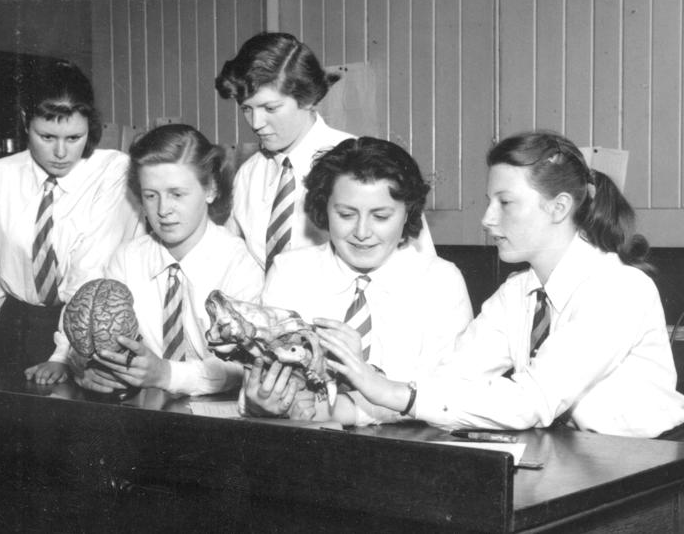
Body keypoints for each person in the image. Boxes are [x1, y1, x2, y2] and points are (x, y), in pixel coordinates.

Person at [327, 130, 684, 438]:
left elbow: (531, 401)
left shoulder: (619, 289)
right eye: (489, 202)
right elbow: (449, 380)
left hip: (649, 466)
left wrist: (389, 392)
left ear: (559, 208)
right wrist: (342, 407)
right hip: (570, 450)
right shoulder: (518, 292)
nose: (487, 218)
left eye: (506, 203)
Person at [0, 61, 143, 382]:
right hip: (12, 331)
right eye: (47, 136)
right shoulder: (1, 176)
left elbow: (90, 277)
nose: (61, 152)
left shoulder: (113, 173)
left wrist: (62, 357)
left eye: (74, 137)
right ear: (26, 122)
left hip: (91, 340)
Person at [240, 137, 472, 425]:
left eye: (381, 216)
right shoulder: (290, 272)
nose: (362, 232)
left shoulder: (441, 282)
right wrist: (263, 402)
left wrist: (343, 407)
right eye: (346, 214)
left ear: (408, 214)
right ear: (324, 208)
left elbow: (446, 396)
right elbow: (265, 379)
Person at [215, 32, 436, 273]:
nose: (256, 123)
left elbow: (423, 266)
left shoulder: (363, 162)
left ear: (308, 98)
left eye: (270, 108)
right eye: (246, 108)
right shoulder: (249, 174)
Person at [70, 124, 263, 396]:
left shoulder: (240, 265)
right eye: (151, 196)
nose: (163, 210)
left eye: (177, 194)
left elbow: (243, 366)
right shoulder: (127, 259)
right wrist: (86, 365)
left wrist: (166, 373)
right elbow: (100, 338)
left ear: (211, 190)